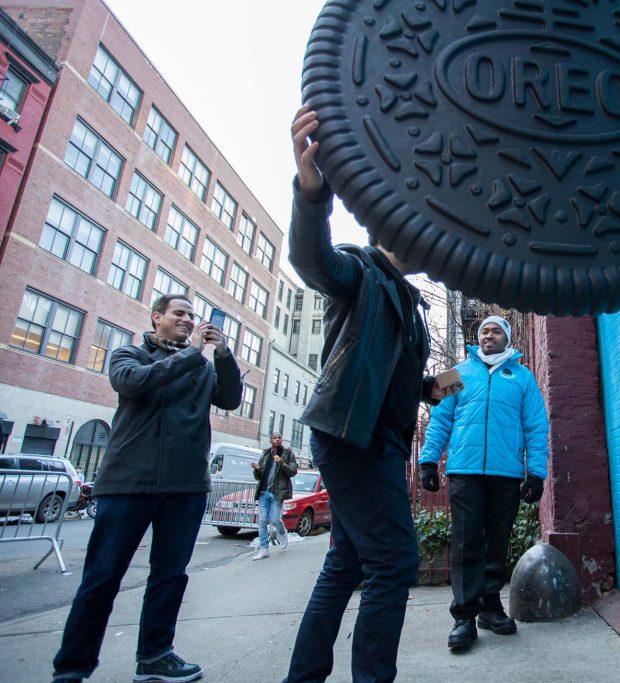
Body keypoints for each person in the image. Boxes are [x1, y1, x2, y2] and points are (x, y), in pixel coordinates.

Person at [283, 104, 462, 683]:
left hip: (376, 439)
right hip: (351, 436)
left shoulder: (410, 304)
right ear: (390, 229)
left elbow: (391, 378)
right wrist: (312, 193)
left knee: (347, 561)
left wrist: (432, 388)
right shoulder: (360, 272)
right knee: (394, 560)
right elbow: (312, 260)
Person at [52, 295, 242, 683]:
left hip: (185, 486)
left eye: (192, 315)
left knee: (169, 577)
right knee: (102, 577)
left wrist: (222, 355)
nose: (188, 320)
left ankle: (155, 657)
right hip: (127, 484)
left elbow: (231, 398)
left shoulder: (203, 367)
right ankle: (72, 667)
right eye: (179, 313)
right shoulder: (130, 355)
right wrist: (193, 354)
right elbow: (134, 384)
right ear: (157, 317)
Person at [418, 315, 549, 650]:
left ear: (507, 338)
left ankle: (490, 608)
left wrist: (536, 473)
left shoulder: (523, 378)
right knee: (466, 543)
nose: (489, 335)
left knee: (497, 542)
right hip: (465, 471)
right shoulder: (456, 373)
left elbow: (536, 426)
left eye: (496, 331)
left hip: (506, 474)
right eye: (484, 331)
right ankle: (463, 617)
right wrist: (428, 461)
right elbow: (440, 420)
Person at [250, 432, 298, 560]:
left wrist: (282, 463)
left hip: (277, 493)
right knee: (262, 521)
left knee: (275, 519)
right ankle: (264, 549)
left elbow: (293, 471)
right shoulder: (266, 454)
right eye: (274, 438)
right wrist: (256, 469)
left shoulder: (287, 454)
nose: (277, 439)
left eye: (279, 438)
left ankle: (282, 532)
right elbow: (259, 477)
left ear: (282, 440)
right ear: (270, 440)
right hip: (264, 492)